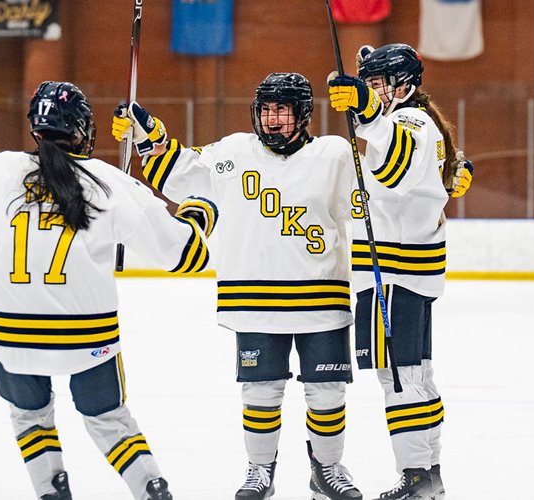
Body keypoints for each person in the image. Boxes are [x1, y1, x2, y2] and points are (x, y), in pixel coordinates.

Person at [0, 81, 216, 500]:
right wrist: (200, 212)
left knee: (29, 416)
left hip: (9, 332)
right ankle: (151, 489)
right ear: (82, 131)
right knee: (107, 418)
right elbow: (187, 256)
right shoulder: (108, 182)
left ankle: (51, 492)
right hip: (84, 334)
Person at [112, 72, 363, 500]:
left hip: (322, 296)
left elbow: (370, 201)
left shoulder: (334, 154)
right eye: (266, 109)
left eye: (282, 109)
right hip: (253, 298)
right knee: (261, 391)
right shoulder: (232, 151)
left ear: (303, 114)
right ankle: (259, 471)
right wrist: (147, 135)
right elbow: (181, 170)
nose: (272, 119)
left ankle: (328, 470)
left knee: (326, 392)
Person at [327, 43, 473, 500]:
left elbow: (395, 167)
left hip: (392, 270)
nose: (370, 92)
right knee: (416, 373)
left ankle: (416, 475)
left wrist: (367, 111)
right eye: (366, 84)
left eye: (377, 84)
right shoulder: (416, 120)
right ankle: (427, 472)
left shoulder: (409, 120)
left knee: (398, 375)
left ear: (403, 84)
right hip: (409, 271)